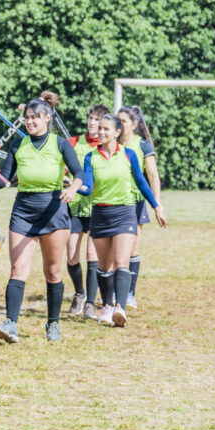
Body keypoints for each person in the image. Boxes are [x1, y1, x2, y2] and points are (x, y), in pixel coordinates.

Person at [0, 95, 84, 343]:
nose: (29, 122)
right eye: (27, 118)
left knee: (52, 271)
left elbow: (79, 173)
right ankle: (11, 323)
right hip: (23, 210)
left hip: (54, 209)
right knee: (18, 269)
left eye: (34, 117)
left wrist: (73, 188)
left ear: (47, 118)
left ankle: (53, 323)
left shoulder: (60, 144)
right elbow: (1, 181)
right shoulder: (18, 146)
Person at [79, 113, 167, 325]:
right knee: (104, 266)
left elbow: (141, 182)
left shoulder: (129, 155)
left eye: (106, 129)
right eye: (99, 128)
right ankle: (107, 305)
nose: (101, 132)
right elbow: (88, 187)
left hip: (125, 213)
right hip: (100, 214)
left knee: (121, 262)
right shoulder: (91, 157)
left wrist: (156, 206)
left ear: (117, 132)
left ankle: (120, 307)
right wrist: (73, 185)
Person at [117, 105, 161, 309]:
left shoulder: (142, 145)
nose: (119, 124)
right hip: (113, 201)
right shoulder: (111, 143)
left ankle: (129, 294)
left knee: (132, 247)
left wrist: (157, 204)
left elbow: (152, 175)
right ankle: (113, 293)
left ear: (134, 125)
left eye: (123, 121)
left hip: (135, 201)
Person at [66, 104, 107, 320]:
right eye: (90, 118)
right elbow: (64, 166)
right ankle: (79, 293)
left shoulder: (106, 146)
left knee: (92, 255)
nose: (92, 123)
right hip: (74, 206)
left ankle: (91, 303)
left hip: (96, 206)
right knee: (72, 256)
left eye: (97, 119)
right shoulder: (73, 142)